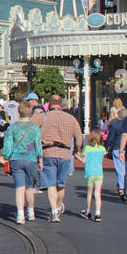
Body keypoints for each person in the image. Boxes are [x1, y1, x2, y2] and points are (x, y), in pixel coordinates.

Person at [38, 93, 83, 221]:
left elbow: (32, 133)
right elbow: (79, 137)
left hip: (48, 152)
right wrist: (77, 150)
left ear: (49, 104)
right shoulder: (71, 118)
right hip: (65, 154)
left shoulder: (43, 117)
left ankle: (53, 210)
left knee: (51, 184)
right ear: (62, 105)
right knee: (60, 184)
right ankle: (57, 207)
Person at [0, 99, 42, 223]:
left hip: (16, 159)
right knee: (29, 188)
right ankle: (31, 211)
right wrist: (40, 158)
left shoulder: (12, 127)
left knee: (19, 188)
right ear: (31, 113)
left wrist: (6, 156)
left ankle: (20, 215)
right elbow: (37, 144)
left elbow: (8, 144)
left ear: (19, 112)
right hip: (31, 159)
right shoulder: (35, 128)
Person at [76, 130, 106, 222]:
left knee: (89, 192)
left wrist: (77, 157)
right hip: (99, 173)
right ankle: (97, 213)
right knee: (97, 194)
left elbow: (84, 161)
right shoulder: (102, 149)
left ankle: (88, 211)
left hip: (90, 173)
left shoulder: (88, 148)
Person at [104, 106, 127, 198]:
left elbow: (110, 138)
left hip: (117, 148)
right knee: (126, 169)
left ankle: (122, 187)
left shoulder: (116, 125)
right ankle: (126, 186)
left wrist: (106, 147)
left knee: (120, 169)